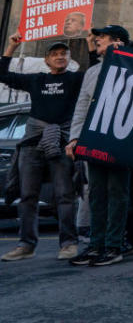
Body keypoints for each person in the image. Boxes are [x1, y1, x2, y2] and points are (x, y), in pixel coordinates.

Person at [0, 36, 84, 261]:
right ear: (46, 60)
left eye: (63, 54)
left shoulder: (76, 80)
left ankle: (68, 243)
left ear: (68, 59)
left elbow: (99, 75)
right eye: (55, 54)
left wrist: (96, 47)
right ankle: (26, 245)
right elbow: (3, 75)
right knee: (27, 196)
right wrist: (12, 47)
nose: (59, 57)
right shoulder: (36, 80)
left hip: (61, 143)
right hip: (32, 144)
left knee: (65, 195)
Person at [65, 25, 132, 267]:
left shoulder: (132, 65)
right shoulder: (92, 72)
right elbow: (82, 106)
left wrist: (125, 55)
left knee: (117, 192)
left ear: (117, 41)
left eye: (102, 37)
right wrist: (74, 138)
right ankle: (96, 244)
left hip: (120, 138)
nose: (97, 40)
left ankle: (114, 245)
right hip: (94, 139)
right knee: (96, 193)